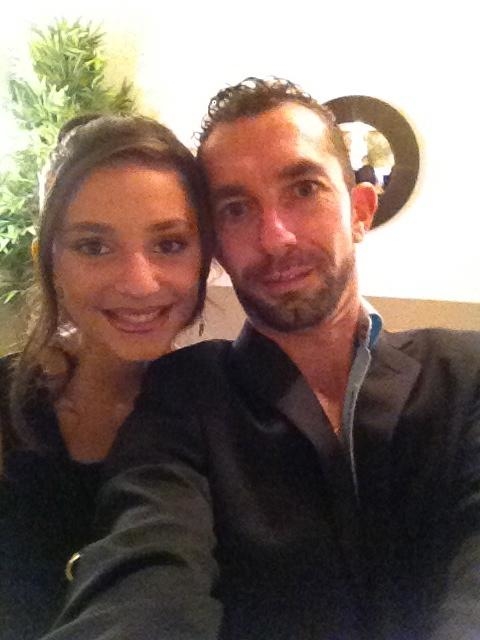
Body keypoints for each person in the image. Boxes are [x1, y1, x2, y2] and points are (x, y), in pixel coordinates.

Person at [42, 79, 479, 640]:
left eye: (304, 189)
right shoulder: (185, 393)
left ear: (361, 210)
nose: (275, 238)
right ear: (217, 247)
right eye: (236, 208)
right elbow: (147, 569)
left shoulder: (464, 372)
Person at [0, 114, 212, 639]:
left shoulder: (229, 410)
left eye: (169, 244)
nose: (139, 283)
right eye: (94, 247)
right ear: (49, 261)